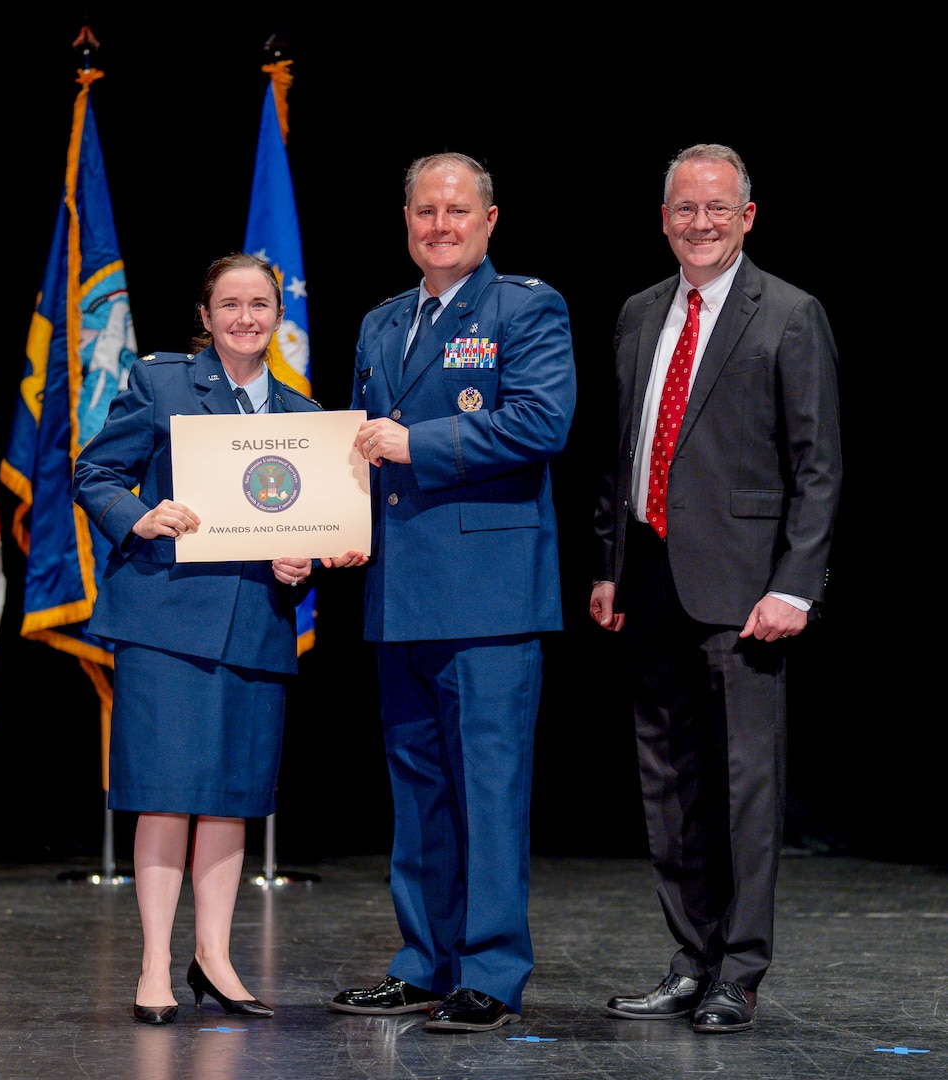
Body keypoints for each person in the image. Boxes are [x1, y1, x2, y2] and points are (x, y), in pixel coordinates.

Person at [590, 143, 842, 1034]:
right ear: (664, 219)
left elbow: (818, 467)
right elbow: (622, 450)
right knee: (670, 785)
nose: (700, 223)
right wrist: (610, 566)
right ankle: (691, 960)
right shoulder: (637, 313)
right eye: (684, 209)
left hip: (746, 593)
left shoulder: (791, 314)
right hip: (651, 578)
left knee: (745, 788)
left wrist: (795, 587)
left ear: (747, 217)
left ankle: (740, 971)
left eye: (717, 209)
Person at [330, 153, 576, 1033]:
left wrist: (418, 444)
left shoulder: (526, 307)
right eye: (425, 210)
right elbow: (359, 451)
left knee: (490, 792)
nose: (440, 224)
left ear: (490, 220)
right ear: (405, 219)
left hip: (489, 598)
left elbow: (543, 421)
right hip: (399, 592)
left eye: (457, 210)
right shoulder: (380, 321)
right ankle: (422, 961)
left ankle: (492, 971)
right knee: (418, 792)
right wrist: (326, 532)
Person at [72, 253, 343, 1025]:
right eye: (230, 304)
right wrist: (139, 516)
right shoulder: (163, 385)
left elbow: (312, 533)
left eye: (259, 304)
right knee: (164, 797)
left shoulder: (303, 414)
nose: (246, 318)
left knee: (230, 799)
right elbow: (96, 473)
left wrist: (306, 562)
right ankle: (155, 963)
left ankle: (215, 958)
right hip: (166, 619)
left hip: (256, 623)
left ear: (276, 313)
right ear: (206, 314)